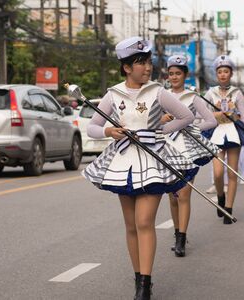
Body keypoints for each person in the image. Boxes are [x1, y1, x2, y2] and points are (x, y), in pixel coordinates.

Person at [82, 37, 196, 300]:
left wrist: (156, 132)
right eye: (141, 63)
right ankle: (138, 278)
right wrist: (109, 131)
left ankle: (145, 284)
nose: (148, 68)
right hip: (124, 164)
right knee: (131, 225)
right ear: (126, 67)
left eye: (149, 62)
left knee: (144, 222)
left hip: (152, 161)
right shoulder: (114, 94)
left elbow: (186, 117)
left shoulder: (157, 92)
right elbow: (92, 127)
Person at [162, 55, 217, 257]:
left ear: (185, 75)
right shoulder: (162, 95)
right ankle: (177, 232)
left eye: (178, 73)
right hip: (167, 150)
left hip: (188, 150)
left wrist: (191, 127)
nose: (174, 77)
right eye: (171, 73)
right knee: (172, 196)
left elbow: (211, 121)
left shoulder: (193, 97)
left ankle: (182, 238)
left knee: (184, 194)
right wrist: (163, 121)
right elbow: (154, 123)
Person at [205, 55, 244, 224]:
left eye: (226, 71)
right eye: (220, 72)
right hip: (216, 133)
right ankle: (221, 196)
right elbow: (202, 114)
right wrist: (217, 114)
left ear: (231, 73)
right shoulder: (210, 93)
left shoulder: (237, 93)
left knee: (232, 172)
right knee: (218, 173)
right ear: (216, 74)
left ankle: (228, 208)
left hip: (234, 133)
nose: (223, 74)